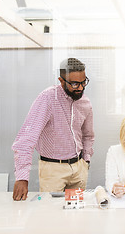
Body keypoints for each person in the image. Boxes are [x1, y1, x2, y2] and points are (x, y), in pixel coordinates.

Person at [12, 58, 95, 201]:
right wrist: (22, 177)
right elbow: (27, 138)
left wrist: (86, 160)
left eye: (83, 82)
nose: (80, 88)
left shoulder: (85, 102)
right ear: (61, 81)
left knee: (76, 216)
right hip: (53, 170)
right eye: (75, 84)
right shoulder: (48, 98)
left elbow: (88, 135)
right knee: (50, 216)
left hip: (78, 169)